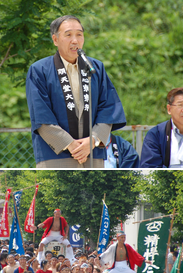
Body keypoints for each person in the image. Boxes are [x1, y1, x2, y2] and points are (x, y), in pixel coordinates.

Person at [26, 15, 126, 168]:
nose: (75, 40)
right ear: (55, 40)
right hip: (56, 155)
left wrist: (92, 140)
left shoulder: (95, 68)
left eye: (79, 34)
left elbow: (109, 108)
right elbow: (40, 115)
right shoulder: (40, 70)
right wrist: (71, 145)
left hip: (92, 154)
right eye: (68, 35)